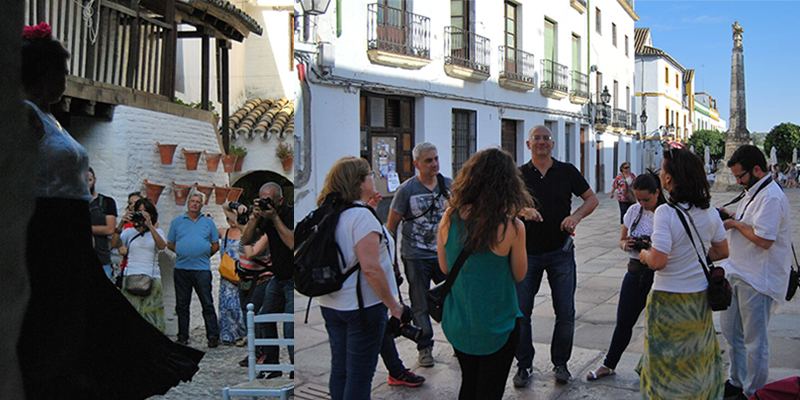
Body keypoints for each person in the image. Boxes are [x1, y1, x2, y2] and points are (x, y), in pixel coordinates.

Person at [17, 22, 203, 399]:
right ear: (42, 74)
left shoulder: (49, 117)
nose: (66, 80)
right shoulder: (24, 115)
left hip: (69, 226)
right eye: (61, 73)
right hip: (47, 224)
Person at [637, 147, 729, 399]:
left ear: (668, 180)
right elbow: (722, 251)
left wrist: (644, 254)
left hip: (668, 300)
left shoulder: (665, 213)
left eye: (663, 170)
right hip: (698, 298)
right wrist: (693, 254)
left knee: (664, 362)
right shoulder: (710, 212)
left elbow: (658, 261)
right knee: (696, 357)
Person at [438, 148, 530, 400]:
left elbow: (445, 268)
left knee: (468, 385)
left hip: (459, 322)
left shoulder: (448, 217)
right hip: (497, 325)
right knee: (490, 391)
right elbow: (519, 274)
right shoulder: (512, 226)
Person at [513, 125, 599, 387]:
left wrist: (576, 217)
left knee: (565, 312)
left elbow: (591, 199)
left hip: (561, 252)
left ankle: (560, 364)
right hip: (526, 254)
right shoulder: (518, 175)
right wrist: (522, 211)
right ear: (528, 145)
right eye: (536, 138)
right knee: (521, 313)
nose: (541, 142)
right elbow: (504, 205)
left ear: (552, 145)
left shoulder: (567, 171)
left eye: (546, 138)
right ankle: (523, 365)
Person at [316, 157, 405, 400]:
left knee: (341, 371)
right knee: (359, 376)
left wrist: (370, 211)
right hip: (362, 307)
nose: (373, 178)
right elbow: (371, 269)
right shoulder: (360, 217)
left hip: (331, 303)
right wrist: (394, 306)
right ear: (359, 182)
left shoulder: (330, 211)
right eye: (370, 175)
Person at [717, 145, 793, 400]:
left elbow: (764, 239)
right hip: (737, 271)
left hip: (758, 279)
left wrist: (734, 223)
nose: (738, 181)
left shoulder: (771, 196)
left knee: (754, 342)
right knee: (732, 334)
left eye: (740, 176)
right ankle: (736, 381)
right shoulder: (753, 191)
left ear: (757, 170)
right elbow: (750, 221)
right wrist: (732, 216)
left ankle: (754, 392)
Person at [587, 171, 665, 381]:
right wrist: (627, 244)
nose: (642, 203)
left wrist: (652, 246)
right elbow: (621, 240)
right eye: (638, 198)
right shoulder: (633, 211)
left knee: (658, 326)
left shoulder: (666, 213)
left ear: (657, 193)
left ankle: (655, 369)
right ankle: (608, 364)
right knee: (623, 322)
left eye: (646, 199)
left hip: (659, 275)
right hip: (635, 270)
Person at [386, 142, 452, 367]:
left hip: (444, 254)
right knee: (420, 304)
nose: (434, 164)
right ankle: (425, 347)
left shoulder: (448, 185)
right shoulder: (406, 190)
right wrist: (393, 261)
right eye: (428, 161)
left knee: (454, 299)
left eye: (435, 159)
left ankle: (458, 341)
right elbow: (391, 227)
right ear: (416, 164)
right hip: (415, 256)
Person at [242, 182, 295, 378]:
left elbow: (292, 242)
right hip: (278, 276)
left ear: (280, 200)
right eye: (262, 199)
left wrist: (274, 218)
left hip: (293, 278)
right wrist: (256, 217)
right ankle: (273, 365)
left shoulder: (291, 215)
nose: (266, 204)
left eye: (269, 200)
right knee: (265, 318)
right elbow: (246, 239)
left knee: (291, 326)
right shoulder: (264, 215)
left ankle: (293, 369)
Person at [167, 191, 221, 347]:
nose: (195, 204)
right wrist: (185, 252)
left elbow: (215, 245)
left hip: (202, 268)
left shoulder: (208, 222)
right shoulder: (177, 222)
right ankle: (183, 335)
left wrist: (202, 254)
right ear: (188, 203)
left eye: (198, 201)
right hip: (181, 268)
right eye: (192, 201)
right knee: (182, 304)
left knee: (207, 303)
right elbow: (170, 243)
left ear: (202, 205)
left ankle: (212, 336)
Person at [118, 198, 167, 332]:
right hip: (131, 276)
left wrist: (150, 225)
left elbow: (162, 246)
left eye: (146, 211)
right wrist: (121, 223)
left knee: (153, 317)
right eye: (139, 211)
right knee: (131, 315)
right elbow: (113, 244)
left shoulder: (157, 232)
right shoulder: (129, 232)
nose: (142, 213)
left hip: (152, 277)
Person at [217, 206, 247, 346]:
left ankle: (242, 334)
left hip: (240, 273)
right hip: (226, 275)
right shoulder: (224, 232)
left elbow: (245, 252)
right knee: (226, 306)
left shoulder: (244, 233)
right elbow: (224, 205)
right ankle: (228, 335)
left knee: (239, 306)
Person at [88, 167, 118, 280]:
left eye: (89, 179)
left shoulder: (107, 202)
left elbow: (110, 229)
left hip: (101, 258)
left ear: (94, 180)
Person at [111, 191, 144, 282]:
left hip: (144, 268)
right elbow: (114, 244)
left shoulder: (151, 223)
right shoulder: (126, 225)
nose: (132, 206)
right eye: (130, 203)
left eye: (136, 203)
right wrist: (121, 224)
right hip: (126, 267)